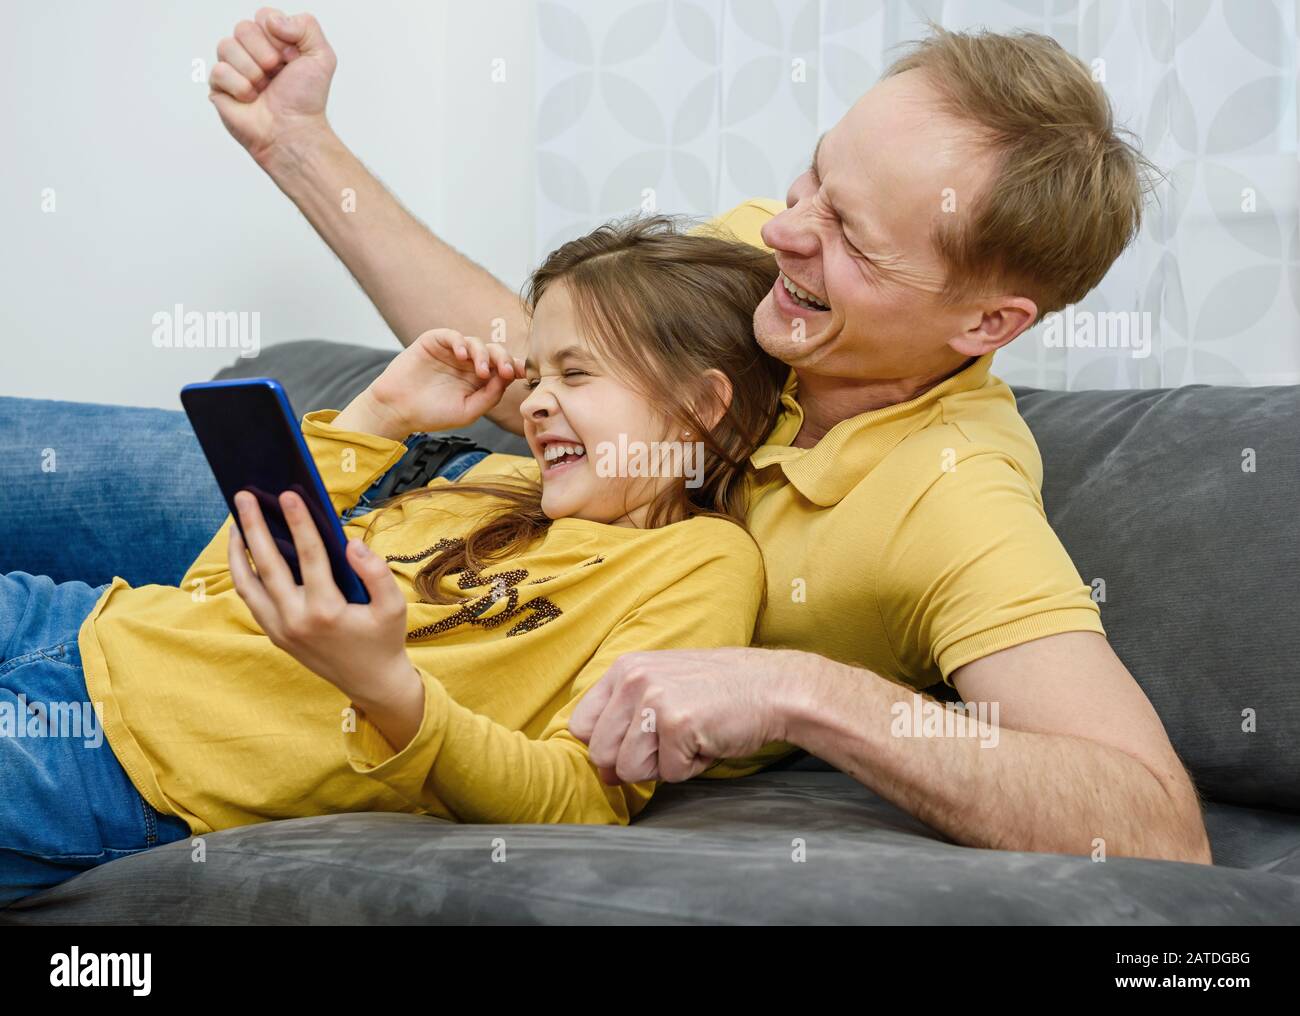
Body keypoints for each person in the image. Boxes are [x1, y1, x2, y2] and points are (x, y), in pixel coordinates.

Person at [1, 13, 1210, 865]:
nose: (782, 229)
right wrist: (301, 148)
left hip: (454, 631)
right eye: (812, 179)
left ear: (988, 321)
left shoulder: (956, 500)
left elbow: (1154, 824)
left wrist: (798, 687)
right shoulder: (776, 257)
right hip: (449, 512)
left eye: (849, 235)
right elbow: (548, 352)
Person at [0, 217, 795, 905]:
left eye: (576, 373)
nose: (538, 402)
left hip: (123, 762)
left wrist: (384, 685)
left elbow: (580, 796)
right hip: (76, 622)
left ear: (702, 403)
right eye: (536, 375)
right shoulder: (494, 483)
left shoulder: (701, 562)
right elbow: (212, 592)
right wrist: (378, 415)